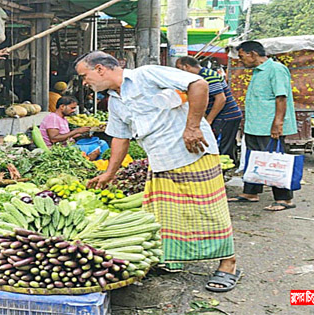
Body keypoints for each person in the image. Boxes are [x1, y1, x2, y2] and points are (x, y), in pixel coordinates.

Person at [76, 51, 239, 292]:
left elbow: (199, 84)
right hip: (161, 159)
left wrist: (193, 126)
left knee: (208, 210)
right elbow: (120, 137)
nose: (84, 82)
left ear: (100, 69)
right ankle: (172, 259)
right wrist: (110, 173)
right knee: (164, 214)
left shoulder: (146, 74)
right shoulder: (114, 100)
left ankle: (229, 264)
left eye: (84, 75)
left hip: (192, 152)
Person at [227, 41, 298, 211]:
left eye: (242, 56)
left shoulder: (275, 69)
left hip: (269, 125)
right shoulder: (257, 72)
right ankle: (250, 192)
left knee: (275, 161)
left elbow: (281, 97)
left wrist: (278, 123)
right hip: (255, 125)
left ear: (252, 54)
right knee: (254, 159)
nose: (241, 60)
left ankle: (284, 199)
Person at [176, 56, 243, 162]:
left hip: (226, 116)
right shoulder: (199, 77)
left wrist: (209, 120)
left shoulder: (208, 76)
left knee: (221, 146)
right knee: (227, 144)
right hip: (222, 116)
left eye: (180, 68)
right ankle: (230, 164)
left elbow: (220, 99)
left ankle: (223, 169)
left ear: (187, 66)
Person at [39, 96, 106, 160]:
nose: (74, 110)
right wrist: (76, 131)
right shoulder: (53, 118)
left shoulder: (63, 119)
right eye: (72, 108)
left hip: (68, 145)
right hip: (57, 149)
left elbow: (66, 135)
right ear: (62, 106)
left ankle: (103, 165)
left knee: (102, 143)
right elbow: (54, 139)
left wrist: (82, 134)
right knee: (96, 148)